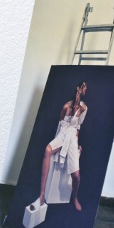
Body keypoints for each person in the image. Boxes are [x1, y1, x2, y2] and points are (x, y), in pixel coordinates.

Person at [39, 81, 88, 211]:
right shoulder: (66, 106)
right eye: (83, 86)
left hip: (72, 137)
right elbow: (60, 125)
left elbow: (78, 127)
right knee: (47, 150)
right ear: (78, 88)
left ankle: (74, 197)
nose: (85, 89)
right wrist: (58, 141)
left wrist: (76, 145)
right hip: (62, 134)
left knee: (76, 176)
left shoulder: (84, 108)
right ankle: (42, 195)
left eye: (86, 88)